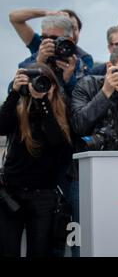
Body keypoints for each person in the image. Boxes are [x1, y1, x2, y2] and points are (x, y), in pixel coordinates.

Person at [0, 64, 72, 257]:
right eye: (34, 83)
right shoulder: (18, 107)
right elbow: (1, 126)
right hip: (12, 193)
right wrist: (15, 92)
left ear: (54, 86)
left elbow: (57, 142)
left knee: (39, 252)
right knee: (8, 251)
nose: (38, 87)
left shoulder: (62, 110)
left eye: (43, 83)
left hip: (44, 196)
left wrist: (43, 103)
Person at [9, 8, 93, 78]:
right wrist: (39, 63)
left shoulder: (83, 59)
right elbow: (14, 17)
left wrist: (69, 78)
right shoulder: (41, 45)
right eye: (44, 37)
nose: (50, 42)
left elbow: (85, 90)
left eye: (73, 28)